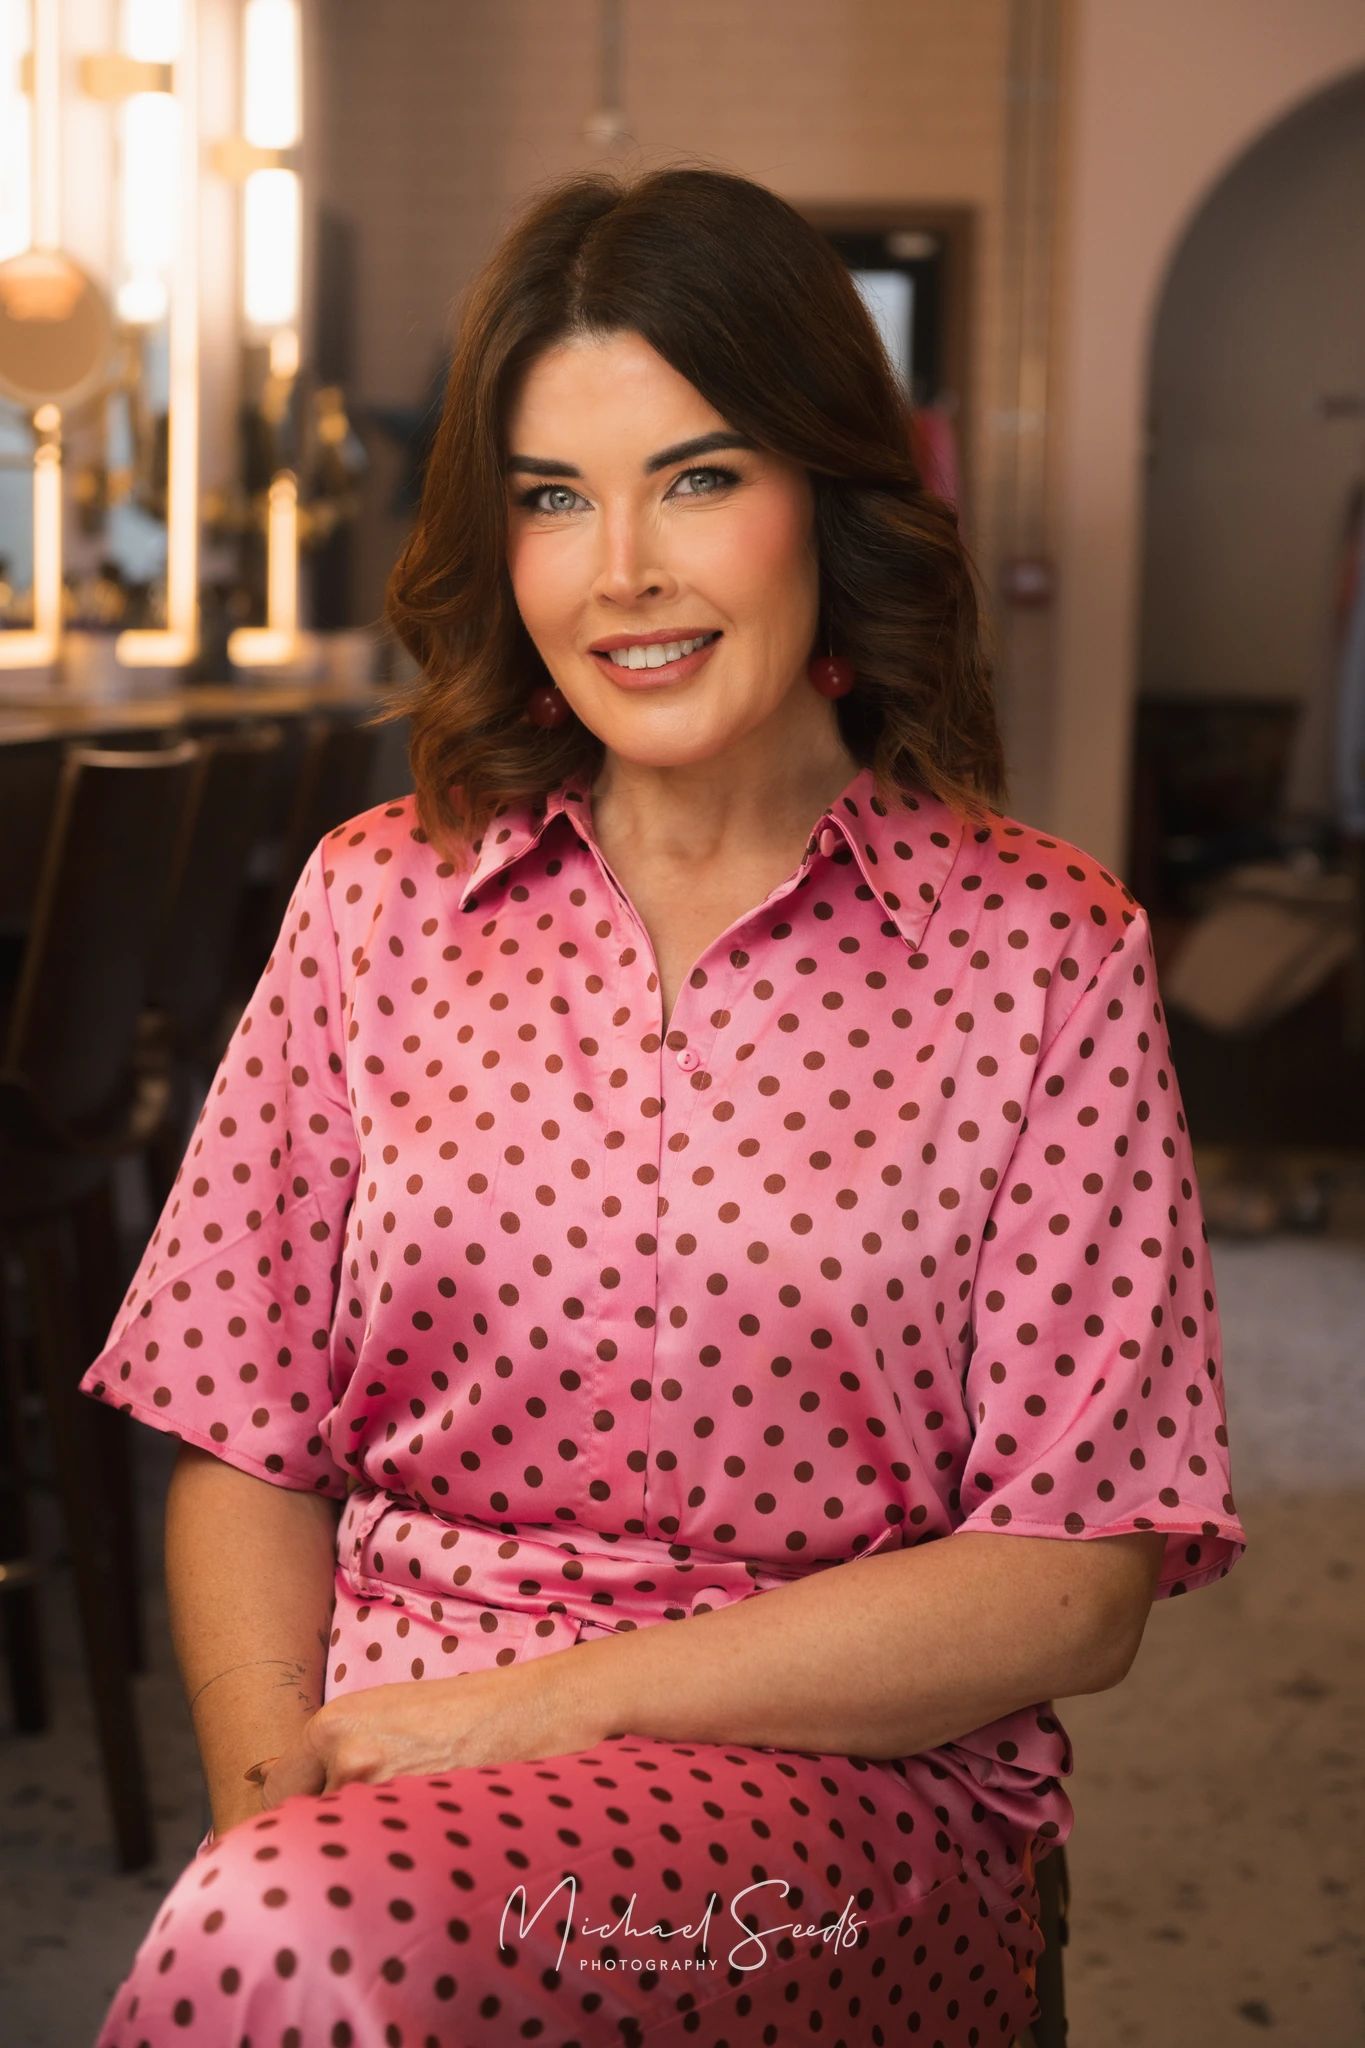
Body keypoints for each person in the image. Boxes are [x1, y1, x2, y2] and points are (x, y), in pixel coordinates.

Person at [83, 167, 1243, 2048]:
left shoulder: (1042, 949)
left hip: (834, 1809)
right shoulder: (378, 898)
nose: (621, 567)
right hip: (362, 1788)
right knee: (306, 1936)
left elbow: (1075, 1580)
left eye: (697, 478)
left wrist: (532, 1716)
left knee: (319, 1956)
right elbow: (240, 1433)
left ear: (828, 503)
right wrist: (267, 1806)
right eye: (555, 497)